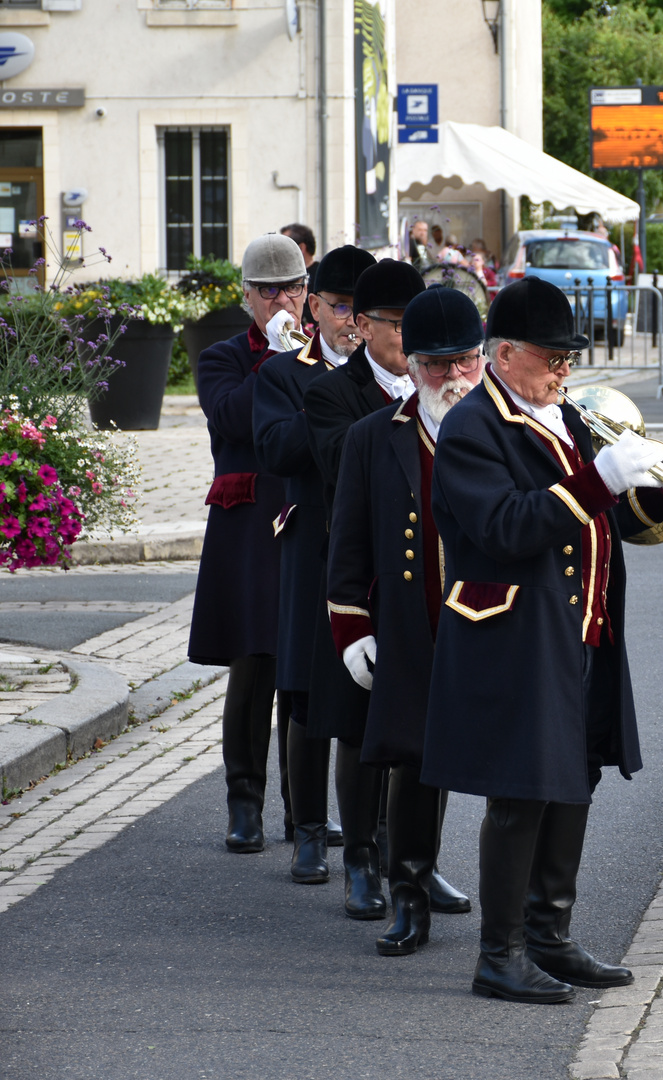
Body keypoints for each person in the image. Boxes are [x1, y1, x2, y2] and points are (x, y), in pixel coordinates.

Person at [420, 277, 663, 1004]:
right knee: (521, 793)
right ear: (506, 353)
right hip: (513, 631)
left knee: (573, 780)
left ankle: (549, 935)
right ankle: (500, 952)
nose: (564, 371)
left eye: (568, 358)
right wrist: (601, 478)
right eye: (552, 358)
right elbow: (507, 528)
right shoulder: (470, 429)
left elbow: (601, 517)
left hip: (579, 630)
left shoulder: (565, 415)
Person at [327, 286, 487, 956]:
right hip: (415, 629)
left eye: (464, 363)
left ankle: (526, 919)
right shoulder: (373, 438)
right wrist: (352, 629)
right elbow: (348, 546)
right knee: (416, 766)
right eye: (435, 365)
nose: (451, 378)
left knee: (515, 774)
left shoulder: (511, 432)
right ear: (411, 364)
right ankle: (410, 894)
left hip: (494, 630)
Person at [300, 259, 430, 923]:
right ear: (361, 325)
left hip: (425, 587)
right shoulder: (334, 392)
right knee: (357, 729)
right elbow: (333, 459)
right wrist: (411, 412)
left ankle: (418, 863)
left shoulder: (441, 390)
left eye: (418, 328)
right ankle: (359, 858)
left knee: (425, 732)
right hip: (362, 580)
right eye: (396, 326)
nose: (408, 341)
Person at [252, 244, 374, 877]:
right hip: (310, 542)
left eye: (364, 309)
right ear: (315, 310)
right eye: (342, 307)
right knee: (303, 691)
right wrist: (332, 391)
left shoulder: (387, 368)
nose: (352, 321)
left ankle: (378, 834)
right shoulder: (282, 372)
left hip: (372, 546)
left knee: (372, 690)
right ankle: (304, 826)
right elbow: (274, 449)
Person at [187, 233, 304, 853]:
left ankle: (303, 809)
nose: (282, 301)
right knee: (256, 662)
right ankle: (244, 801)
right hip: (250, 518)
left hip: (305, 513)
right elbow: (232, 417)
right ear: (248, 297)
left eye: (293, 289)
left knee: (305, 669)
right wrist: (276, 361)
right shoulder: (223, 355)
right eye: (268, 291)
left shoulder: (322, 356)